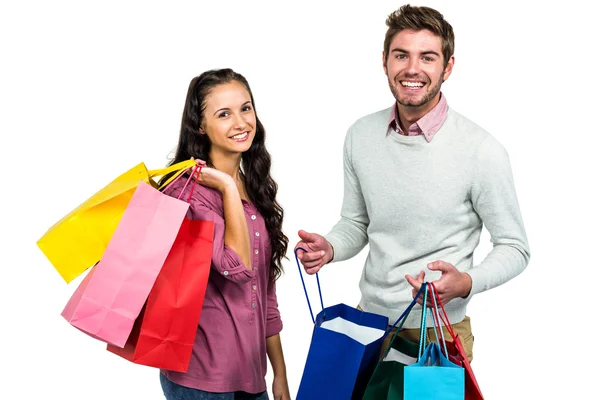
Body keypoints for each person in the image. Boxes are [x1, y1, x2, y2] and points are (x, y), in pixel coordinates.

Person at [294, 4, 530, 360]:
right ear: (385, 60)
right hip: (367, 325)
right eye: (401, 55)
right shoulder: (361, 135)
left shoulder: (481, 150)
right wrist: (330, 248)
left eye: (428, 57)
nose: (412, 69)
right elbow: (357, 222)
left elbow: (515, 246)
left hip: (438, 334)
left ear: (447, 67)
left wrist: (465, 283)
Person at [159, 68, 291, 400]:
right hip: (200, 379)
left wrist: (280, 375)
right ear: (200, 125)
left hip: (251, 375)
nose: (241, 122)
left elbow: (263, 291)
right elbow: (237, 266)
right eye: (224, 114)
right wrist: (227, 187)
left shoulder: (255, 188)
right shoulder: (186, 193)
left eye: (246, 108)